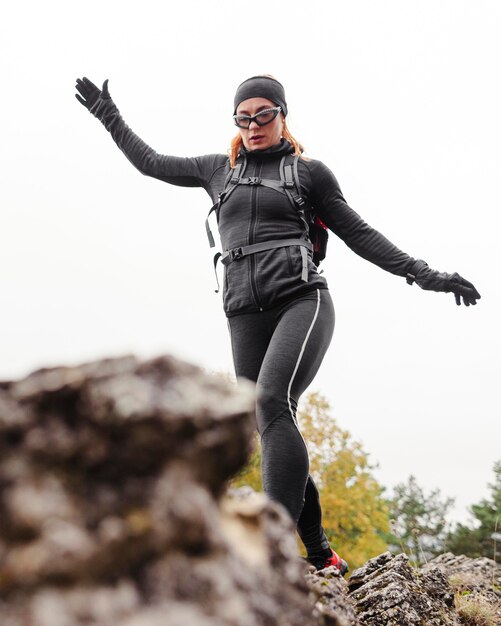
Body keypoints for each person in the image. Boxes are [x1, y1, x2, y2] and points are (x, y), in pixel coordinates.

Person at [75, 75, 480, 574]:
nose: (253, 126)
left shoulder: (308, 173)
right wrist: (109, 116)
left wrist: (428, 275)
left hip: (301, 300)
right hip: (243, 311)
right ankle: (320, 550)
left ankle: (271, 547)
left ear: (283, 115)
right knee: (268, 421)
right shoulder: (215, 170)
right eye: (243, 118)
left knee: (271, 401)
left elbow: (360, 234)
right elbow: (151, 163)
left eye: (263, 114)